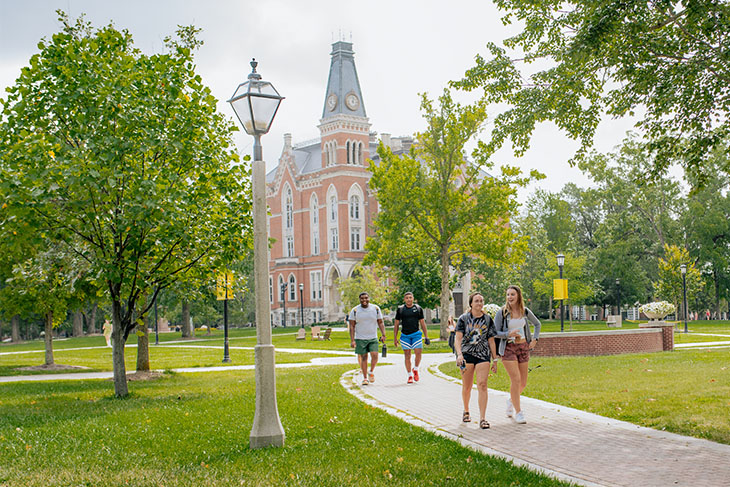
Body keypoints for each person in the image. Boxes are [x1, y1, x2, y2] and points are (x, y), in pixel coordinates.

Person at [494, 285, 541, 425]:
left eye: (512, 294)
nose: (510, 297)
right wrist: (508, 334)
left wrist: (535, 339)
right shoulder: (501, 313)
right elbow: (494, 332)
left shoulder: (524, 311)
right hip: (508, 348)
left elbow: (537, 324)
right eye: (508, 294)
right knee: (516, 380)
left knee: (523, 383)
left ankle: (511, 400)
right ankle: (519, 412)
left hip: (523, 348)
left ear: (518, 296)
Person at [454, 292, 498, 429]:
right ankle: (466, 411)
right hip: (467, 355)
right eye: (477, 301)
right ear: (471, 304)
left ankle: (483, 418)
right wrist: (459, 355)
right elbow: (458, 339)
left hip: (483, 355)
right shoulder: (463, 319)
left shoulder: (487, 319)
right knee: (467, 386)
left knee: (482, 384)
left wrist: (495, 359)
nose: (479, 303)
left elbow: (491, 340)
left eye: (481, 300)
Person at [349, 292, 387, 386]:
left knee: (375, 355)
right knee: (364, 358)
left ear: (369, 298)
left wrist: (383, 334)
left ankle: (371, 371)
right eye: (362, 298)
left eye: (366, 298)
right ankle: (365, 378)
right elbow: (352, 326)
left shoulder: (375, 309)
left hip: (373, 337)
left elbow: (380, 322)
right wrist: (352, 340)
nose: (364, 300)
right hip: (360, 338)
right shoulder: (355, 310)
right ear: (359, 299)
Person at [394, 292, 430, 384]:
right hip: (405, 335)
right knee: (407, 355)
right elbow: (396, 324)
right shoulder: (400, 309)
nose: (409, 299)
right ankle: (410, 375)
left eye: (410, 297)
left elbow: (422, 323)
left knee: (418, 352)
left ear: (413, 298)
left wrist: (426, 336)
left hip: (416, 334)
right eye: (407, 298)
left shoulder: (418, 309)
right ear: (404, 299)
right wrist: (395, 338)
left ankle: (416, 369)